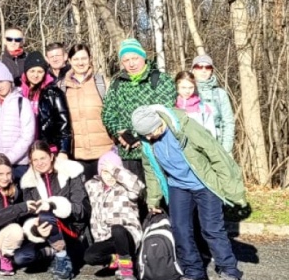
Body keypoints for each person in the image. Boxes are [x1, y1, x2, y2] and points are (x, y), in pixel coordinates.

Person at [132, 105, 246, 280]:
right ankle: (194, 274)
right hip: (178, 186)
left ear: (159, 123)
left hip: (205, 184)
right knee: (180, 229)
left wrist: (232, 189)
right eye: (145, 135)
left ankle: (230, 275)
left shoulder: (185, 127)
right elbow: (150, 169)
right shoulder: (146, 141)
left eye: (151, 133)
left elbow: (215, 153)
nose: (149, 138)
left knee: (212, 229)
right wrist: (153, 199)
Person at [101, 38, 176, 180]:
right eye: (126, 60)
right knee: (135, 197)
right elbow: (107, 112)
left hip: (157, 149)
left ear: (143, 57)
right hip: (129, 153)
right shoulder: (118, 83)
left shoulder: (160, 80)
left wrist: (138, 134)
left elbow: (165, 111)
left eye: (135, 58)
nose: (131, 63)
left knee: (161, 196)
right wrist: (121, 132)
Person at [18, 142, 87, 280]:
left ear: (51, 156)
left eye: (42, 158)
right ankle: (55, 253)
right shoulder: (28, 182)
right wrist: (36, 230)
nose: (39, 163)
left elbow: (81, 210)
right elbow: (29, 217)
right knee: (21, 257)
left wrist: (53, 204)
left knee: (46, 214)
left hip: (71, 229)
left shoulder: (70, 173)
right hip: (46, 233)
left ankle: (62, 258)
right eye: (35, 160)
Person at [83, 149, 144, 280]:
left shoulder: (126, 189)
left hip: (126, 233)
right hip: (106, 237)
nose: (110, 176)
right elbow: (86, 183)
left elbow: (137, 186)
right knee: (89, 256)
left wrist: (115, 169)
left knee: (117, 228)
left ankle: (127, 271)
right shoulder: (94, 187)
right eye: (105, 172)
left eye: (113, 173)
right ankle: (116, 259)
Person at [58, 44, 113, 178]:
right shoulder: (61, 87)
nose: (80, 63)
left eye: (84, 58)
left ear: (90, 59)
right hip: (76, 155)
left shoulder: (102, 83)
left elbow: (113, 114)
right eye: (76, 59)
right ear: (69, 61)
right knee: (83, 197)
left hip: (105, 153)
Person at [0, 60, 36, 179]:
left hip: (18, 164)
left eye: (2, 81)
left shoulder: (22, 102)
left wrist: (7, 159)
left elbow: (27, 135)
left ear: (9, 81)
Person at [20, 52, 72, 157]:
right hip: (23, 149)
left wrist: (63, 150)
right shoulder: (17, 92)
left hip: (47, 147)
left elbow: (64, 124)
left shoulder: (53, 92)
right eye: (32, 71)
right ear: (26, 72)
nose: (35, 75)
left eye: (40, 71)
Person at [190, 54, 235, 155]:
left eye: (208, 67)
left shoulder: (220, 94)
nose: (204, 70)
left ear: (211, 71)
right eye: (199, 67)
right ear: (193, 70)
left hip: (217, 146)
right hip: (193, 148)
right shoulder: (186, 91)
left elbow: (228, 123)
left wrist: (225, 150)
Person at [175, 71, 218, 140]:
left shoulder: (203, 108)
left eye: (190, 87)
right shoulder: (172, 106)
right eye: (183, 87)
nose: (187, 91)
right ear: (177, 87)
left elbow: (211, 135)